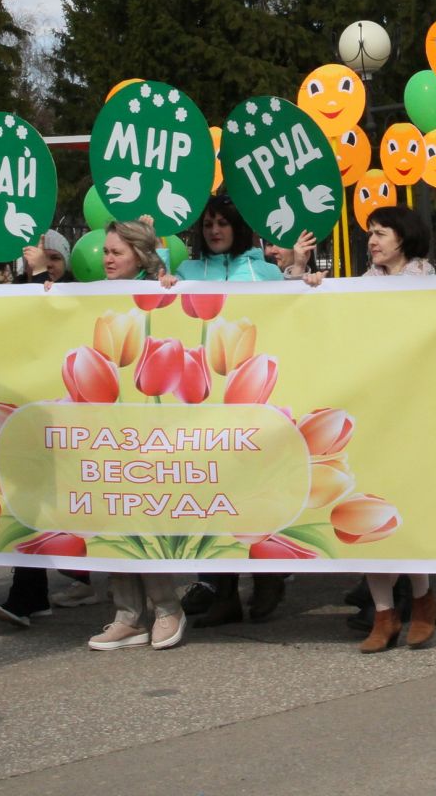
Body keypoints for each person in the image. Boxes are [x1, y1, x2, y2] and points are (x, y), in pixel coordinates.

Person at [179, 196, 288, 628]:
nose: (214, 230)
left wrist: (306, 282)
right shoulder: (186, 273)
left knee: (256, 492)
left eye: (223, 222)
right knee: (214, 497)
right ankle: (221, 592)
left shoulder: (265, 272)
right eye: (208, 223)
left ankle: (268, 579)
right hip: (205, 405)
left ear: (238, 227)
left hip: (256, 400)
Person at [87, 218, 193, 654]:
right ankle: (127, 616)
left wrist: (169, 287)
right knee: (114, 514)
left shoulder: (167, 289)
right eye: (106, 252)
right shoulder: (89, 295)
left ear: (140, 256)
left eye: (116, 252)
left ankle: (168, 608)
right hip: (107, 424)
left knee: (146, 512)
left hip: (154, 424)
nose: (107, 258)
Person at [350, 205, 436, 650]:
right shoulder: (363, 288)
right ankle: (384, 614)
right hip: (372, 413)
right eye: (369, 233)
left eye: (380, 232)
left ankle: (422, 600)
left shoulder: (431, 285)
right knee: (369, 513)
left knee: (405, 512)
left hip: (412, 414)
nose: (372, 241)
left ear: (402, 237)